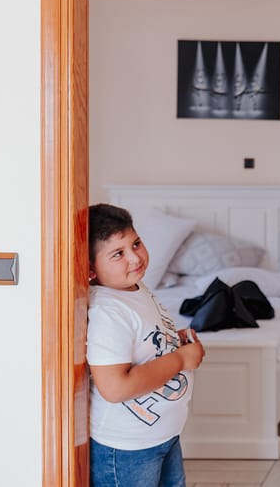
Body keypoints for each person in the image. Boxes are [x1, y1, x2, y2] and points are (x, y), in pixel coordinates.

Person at [86, 203, 205, 487]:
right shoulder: (108, 311)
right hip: (127, 449)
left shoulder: (135, 289)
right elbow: (116, 388)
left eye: (136, 243)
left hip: (162, 436)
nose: (135, 257)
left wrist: (173, 341)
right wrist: (180, 361)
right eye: (118, 253)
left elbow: (139, 341)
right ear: (90, 268)